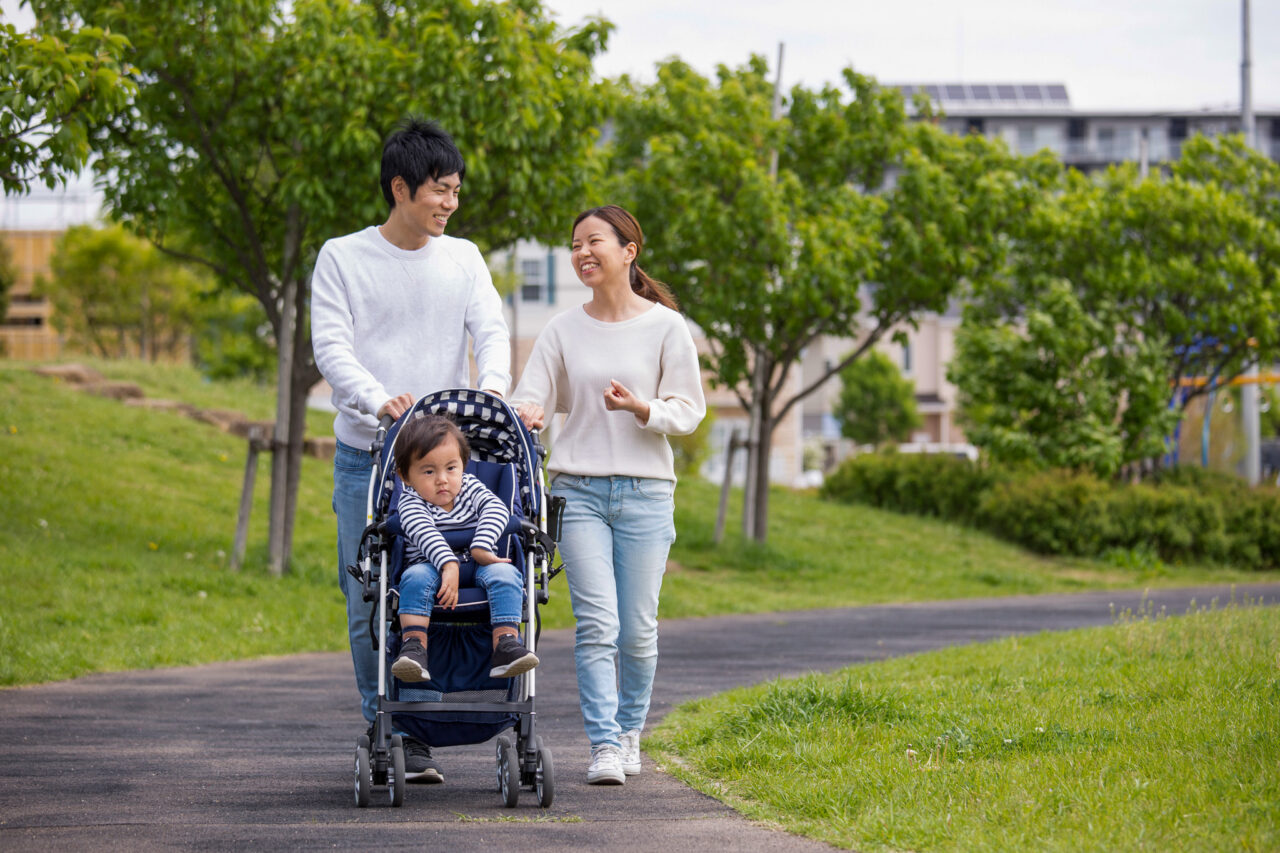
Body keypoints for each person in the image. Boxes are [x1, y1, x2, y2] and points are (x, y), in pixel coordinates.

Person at [311, 118, 510, 784]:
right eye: (440, 190)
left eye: (456, 190)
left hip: (445, 465)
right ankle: (388, 726)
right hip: (367, 455)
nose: (451, 202)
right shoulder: (343, 257)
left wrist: (496, 394)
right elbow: (332, 347)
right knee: (369, 593)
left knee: (446, 590)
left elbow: (492, 331)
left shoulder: (465, 258)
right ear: (401, 188)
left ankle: (422, 732)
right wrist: (379, 397)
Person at [511, 204, 706, 785]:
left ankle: (629, 732)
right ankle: (602, 745)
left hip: (646, 492)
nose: (581, 254)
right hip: (579, 491)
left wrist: (642, 407)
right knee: (597, 624)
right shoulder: (562, 328)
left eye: (593, 241)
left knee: (638, 628)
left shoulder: (667, 327)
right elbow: (532, 396)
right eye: (574, 245)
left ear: (629, 250)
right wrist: (531, 411)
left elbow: (689, 410)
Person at [389, 414, 538, 682]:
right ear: (405, 476)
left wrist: (481, 546)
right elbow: (424, 533)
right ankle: (414, 647)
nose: (442, 480)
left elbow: (496, 509)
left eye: (451, 468)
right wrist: (448, 563)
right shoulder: (410, 503)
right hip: (430, 566)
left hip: (479, 561)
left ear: (463, 466)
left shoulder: (470, 487)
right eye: (428, 471)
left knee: (507, 575)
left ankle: (505, 644)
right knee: (414, 578)